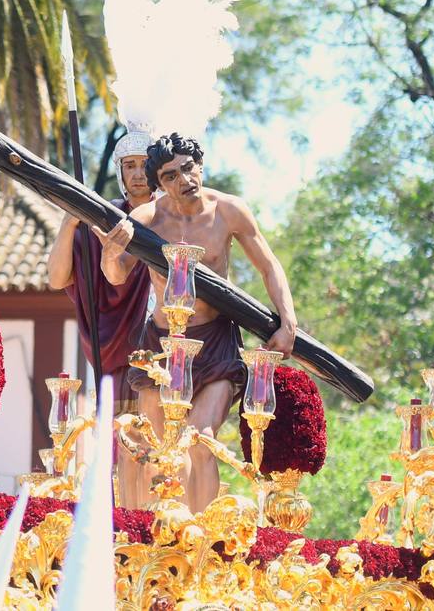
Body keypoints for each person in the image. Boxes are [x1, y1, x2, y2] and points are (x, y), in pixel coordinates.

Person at [93, 133, 299, 511]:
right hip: (160, 345)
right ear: (159, 185)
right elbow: (117, 275)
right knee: (155, 447)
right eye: (170, 176)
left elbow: (269, 266)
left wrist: (289, 323)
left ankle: (201, 540)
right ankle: (148, 538)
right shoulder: (147, 218)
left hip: (215, 342)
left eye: (188, 168)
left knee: (200, 440)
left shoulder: (229, 210)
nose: (183, 180)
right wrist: (110, 253)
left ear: (199, 166)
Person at [46, 127, 154, 507]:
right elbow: (57, 277)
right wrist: (71, 220)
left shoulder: (173, 217)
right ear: (120, 171)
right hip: (118, 354)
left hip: (164, 351)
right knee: (124, 452)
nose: (138, 174)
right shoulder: (104, 217)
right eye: (130, 166)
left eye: (145, 164)